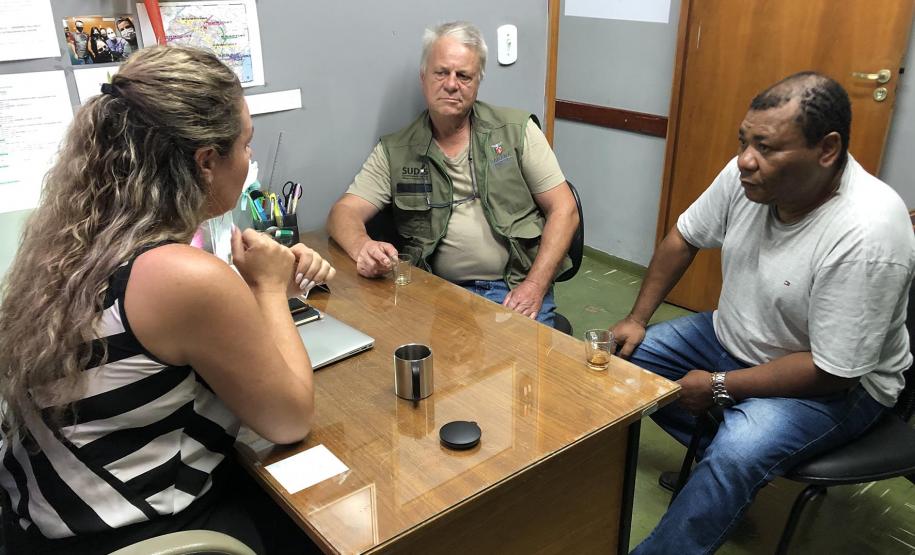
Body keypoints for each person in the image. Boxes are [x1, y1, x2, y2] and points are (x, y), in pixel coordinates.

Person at [0, 46, 332, 554]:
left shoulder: (78, 242)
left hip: (39, 519)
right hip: (136, 533)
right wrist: (268, 287)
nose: (249, 159)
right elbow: (289, 420)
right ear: (206, 161)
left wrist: (253, 288)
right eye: (245, 144)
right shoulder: (179, 275)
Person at [611, 72, 915, 554]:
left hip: (838, 385)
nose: (745, 160)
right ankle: (726, 478)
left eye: (767, 147)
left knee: (737, 452)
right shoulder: (747, 177)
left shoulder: (868, 231)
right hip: (732, 337)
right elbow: (683, 238)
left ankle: (724, 477)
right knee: (621, 363)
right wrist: (636, 319)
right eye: (744, 141)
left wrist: (719, 386)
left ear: (827, 149)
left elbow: (832, 372)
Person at [326, 21, 579, 327]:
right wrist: (362, 247)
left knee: (525, 358)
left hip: (514, 288)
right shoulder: (396, 150)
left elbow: (565, 209)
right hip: (436, 293)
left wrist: (535, 286)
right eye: (441, 72)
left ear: (477, 82)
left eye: (464, 76)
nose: (451, 84)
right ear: (423, 78)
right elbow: (344, 212)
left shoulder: (516, 131)